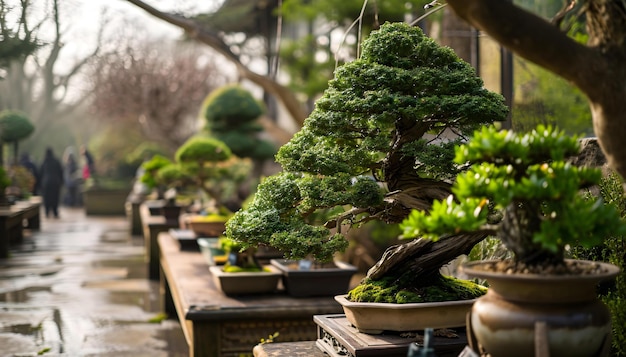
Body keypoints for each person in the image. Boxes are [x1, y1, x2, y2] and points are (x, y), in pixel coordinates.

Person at [39, 147, 64, 218]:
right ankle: (55, 211)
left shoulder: (44, 162)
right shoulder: (56, 161)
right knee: (55, 198)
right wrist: (61, 182)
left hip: (46, 183)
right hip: (55, 183)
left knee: (47, 198)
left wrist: (40, 184)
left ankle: (47, 212)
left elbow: (40, 173)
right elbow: (61, 172)